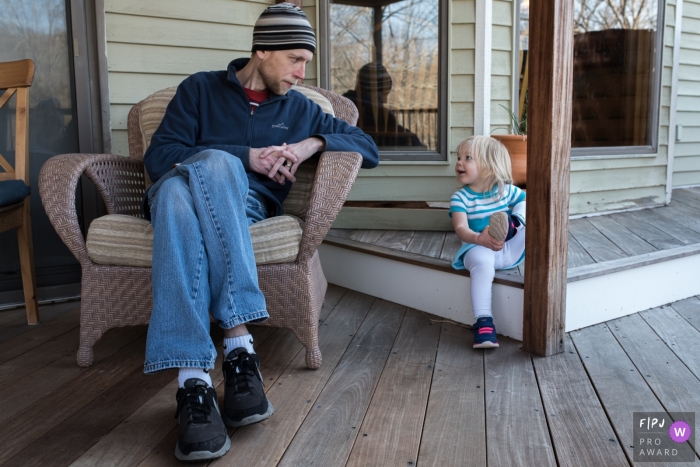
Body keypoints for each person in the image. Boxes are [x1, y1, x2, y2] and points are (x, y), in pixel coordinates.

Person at [141, 3, 379, 462]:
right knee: (185, 185)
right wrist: (244, 156)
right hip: (177, 193)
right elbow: (159, 156)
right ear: (261, 50)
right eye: (294, 59)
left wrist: (313, 142)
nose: (301, 72)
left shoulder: (301, 109)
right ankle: (237, 344)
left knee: (180, 197)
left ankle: (192, 382)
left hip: (243, 208)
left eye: (306, 62)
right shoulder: (199, 89)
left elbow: (368, 147)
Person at [449, 136, 526, 349]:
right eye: (458, 157)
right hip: (481, 248)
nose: (459, 162)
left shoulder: (505, 190)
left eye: (468, 158)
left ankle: (513, 225)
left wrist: (517, 222)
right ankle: (484, 322)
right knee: (480, 261)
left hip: (508, 246)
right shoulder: (460, 198)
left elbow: (525, 201)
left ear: (489, 167)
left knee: (530, 203)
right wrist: (478, 238)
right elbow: (461, 229)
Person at [343, 62, 424, 148]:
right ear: (370, 91)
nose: (385, 100)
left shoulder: (341, 106)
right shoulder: (381, 115)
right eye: (383, 94)